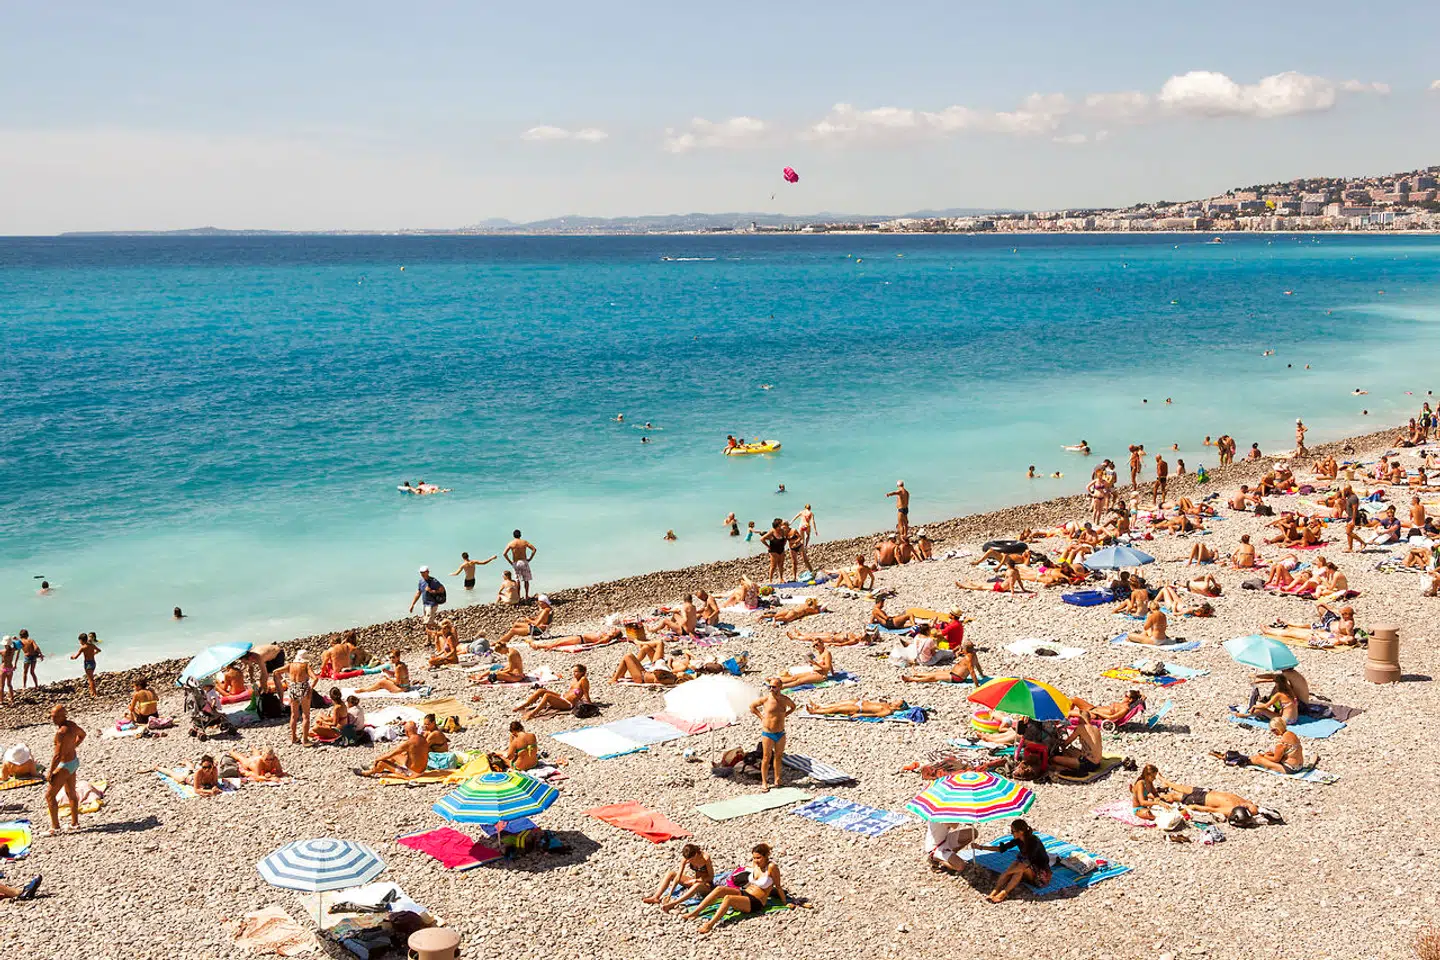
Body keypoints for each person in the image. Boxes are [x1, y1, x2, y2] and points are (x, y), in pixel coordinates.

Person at [683, 843, 789, 934]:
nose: (756, 860)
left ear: (766, 856)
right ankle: (695, 912)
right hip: (745, 893)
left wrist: (785, 903)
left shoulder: (772, 867)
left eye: (758, 858)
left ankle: (710, 925)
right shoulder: (755, 864)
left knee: (728, 898)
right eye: (754, 858)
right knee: (719, 889)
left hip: (757, 901)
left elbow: (778, 887)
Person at [975, 819, 1051, 903]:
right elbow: (1002, 848)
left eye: (1013, 831)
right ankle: (995, 891)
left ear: (1021, 831)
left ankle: (1003, 893)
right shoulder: (1018, 840)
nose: (1011, 833)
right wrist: (981, 847)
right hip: (1028, 867)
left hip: (1040, 874)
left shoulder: (1034, 842)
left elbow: (1028, 862)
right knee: (1017, 866)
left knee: (1018, 869)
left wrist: (1007, 872)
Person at [44, 705, 86, 835]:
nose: (53, 719)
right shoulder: (72, 725)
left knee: (49, 796)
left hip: (64, 766)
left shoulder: (61, 732)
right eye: (51, 716)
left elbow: (57, 755)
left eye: (55, 716)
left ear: (63, 716)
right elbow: (82, 735)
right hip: (73, 762)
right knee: (71, 793)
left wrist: (50, 772)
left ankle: (55, 828)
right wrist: (73, 746)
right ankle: (75, 824)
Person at [751, 679, 796, 791]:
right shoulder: (766, 699)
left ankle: (777, 779)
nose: (771, 689)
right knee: (766, 757)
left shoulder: (784, 700)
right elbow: (752, 706)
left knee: (779, 757)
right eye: (770, 687)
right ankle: (764, 782)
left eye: (774, 687)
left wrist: (785, 715)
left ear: (780, 687)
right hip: (768, 732)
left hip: (780, 732)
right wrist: (761, 717)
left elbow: (793, 707)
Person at [644, 842, 715, 910]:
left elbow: (711, 877)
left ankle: (674, 903)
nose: (688, 862)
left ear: (695, 854)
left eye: (691, 860)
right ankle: (656, 897)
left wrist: (697, 880)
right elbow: (678, 877)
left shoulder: (705, 858)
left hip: (706, 885)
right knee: (671, 873)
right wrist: (670, 894)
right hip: (694, 881)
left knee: (696, 885)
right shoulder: (686, 858)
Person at [514, 664, 590, 720]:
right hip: (563, 697)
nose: (574, 673)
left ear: (582, 672)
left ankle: (533, 713)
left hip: (568, 703)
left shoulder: (583, 680)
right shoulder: (575, 679)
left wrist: (590, 703)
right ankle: (525, 705)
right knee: (541, 690)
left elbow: (586, 693)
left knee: (547, 695)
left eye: (576, 672)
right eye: (573, 671)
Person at [356, 722, 429, 779]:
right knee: (397, 756)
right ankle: (377, 768)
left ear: (406, 732)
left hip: (411, 774)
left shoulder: (409, 742)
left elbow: (390, 754)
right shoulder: (422, 738)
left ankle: (368, 772)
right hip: (421, 771)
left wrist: (377, 759)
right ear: (416, 729)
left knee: (381, 762)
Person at [903, 639, 982, 684]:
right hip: (954, 673)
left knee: (934, 677)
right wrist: (982, 675)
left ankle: (911, 679)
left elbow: (972, 671)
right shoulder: (973, 654)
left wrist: (976, 684)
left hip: (957, 677)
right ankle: (917, 674)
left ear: (965, 649)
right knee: (936, 673)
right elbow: (978, 665)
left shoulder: (969, 658)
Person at [529, 626, 622, 652]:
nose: (613, 629)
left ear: (615, 634)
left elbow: (601, 642)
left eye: (615, 630)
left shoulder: (608, 637)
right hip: (580, 638)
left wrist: (592, 645)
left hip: (580, 640)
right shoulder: (607, 634)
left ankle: (538, 646)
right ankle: (538, 646)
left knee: (557, 643)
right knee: (558, 642)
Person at [504, 530, 537, 600]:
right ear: (520, 535)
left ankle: (518, 596)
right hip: (524, 561)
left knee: (517, 580)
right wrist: (530, 558)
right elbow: (534, 549)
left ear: (513, 535)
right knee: (526, 580)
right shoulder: (524, 542)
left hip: (516, 562)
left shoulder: (511, 543)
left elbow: (504, 554)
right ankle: (526, 596)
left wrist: (510, 562)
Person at [803, 697, 907, 717]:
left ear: (898, 707)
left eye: (897, 701)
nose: (895, 700)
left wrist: (860, 714)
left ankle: (815, 712)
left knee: (837, 709)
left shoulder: (888, 710)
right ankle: (820, 706)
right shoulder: (886, 704)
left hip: (858, 708)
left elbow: (875, 714)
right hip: (860, 702)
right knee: (838, 703)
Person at [69, 633, 100, 697]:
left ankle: (94, 693)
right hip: (93, 663)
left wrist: (72, 657)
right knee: (91, 678)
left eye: (80, 641)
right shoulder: (92, 645)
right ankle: (92, 692)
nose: (80, 642)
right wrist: (94, 653)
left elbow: (76, 657)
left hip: (88, 664)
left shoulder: (83, 648)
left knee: (90, 679)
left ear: (82, 640)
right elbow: (99, 650)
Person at [759, 597, 823, 624]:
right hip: (795, 614)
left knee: (775, 614)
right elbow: (817, 611)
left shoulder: (804, 604)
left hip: (791, 610)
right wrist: (818, 607)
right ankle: (776, 620)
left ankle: (762, 617)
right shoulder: (809, 608)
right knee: (786, 619)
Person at [0, 637, 16, 706]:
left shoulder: (2, 651)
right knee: (9, 684)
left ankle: (1, 700)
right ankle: (12, 699)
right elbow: (20, 644)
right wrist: (16, 639)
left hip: (3, 669)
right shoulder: (13, 650)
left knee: (1, 686)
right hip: (10, 669)